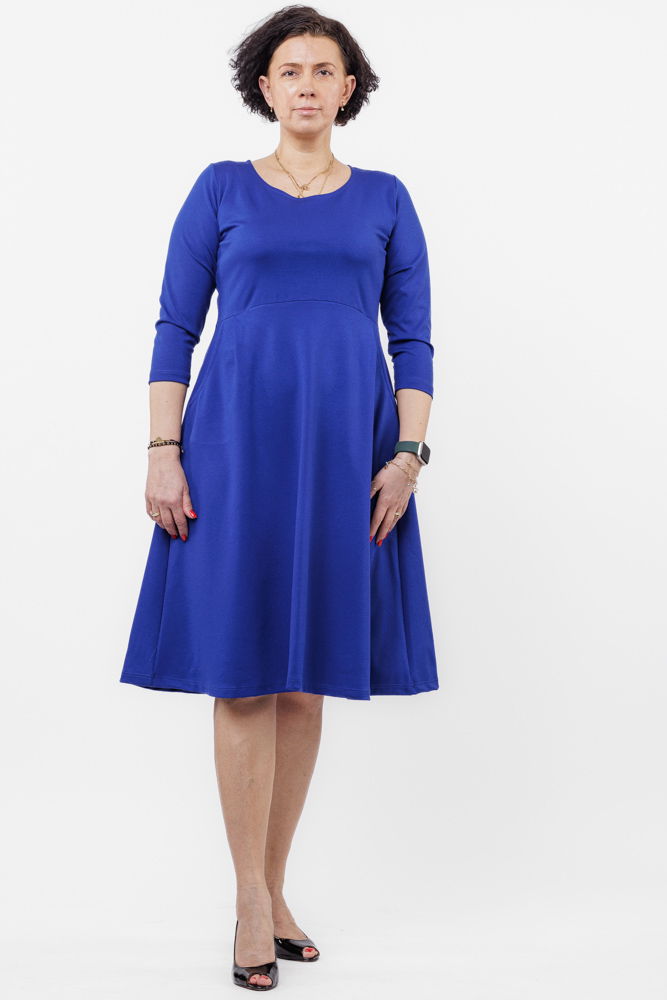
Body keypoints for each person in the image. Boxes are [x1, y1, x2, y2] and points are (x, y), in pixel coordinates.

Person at [120, 5, 438, 991]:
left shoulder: (385, 197)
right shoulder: (220, 188)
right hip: (233, 445)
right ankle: (249, 900)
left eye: (323, 70)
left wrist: (408, 455)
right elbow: (174, 326)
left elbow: (413, 339)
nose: (306, 84)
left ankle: (272, 884)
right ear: (264, 87)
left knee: (305, 680)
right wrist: (163, 451)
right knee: (242, 671)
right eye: (289, 69)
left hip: (346, 451)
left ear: (349, 88)